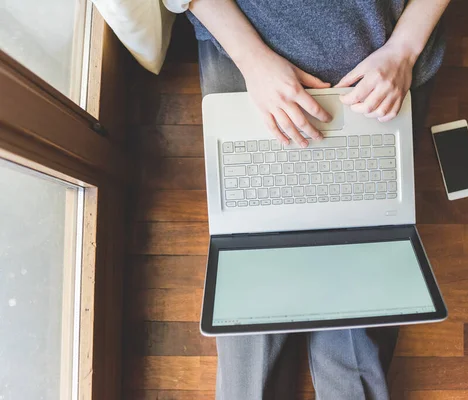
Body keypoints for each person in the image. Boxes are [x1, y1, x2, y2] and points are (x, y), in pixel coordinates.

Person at [163, 1, 451, 398]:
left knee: (361, 316)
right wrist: (252, 59)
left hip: (383, 60)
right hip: (246, 46)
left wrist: (403, 49)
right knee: (250, 297)